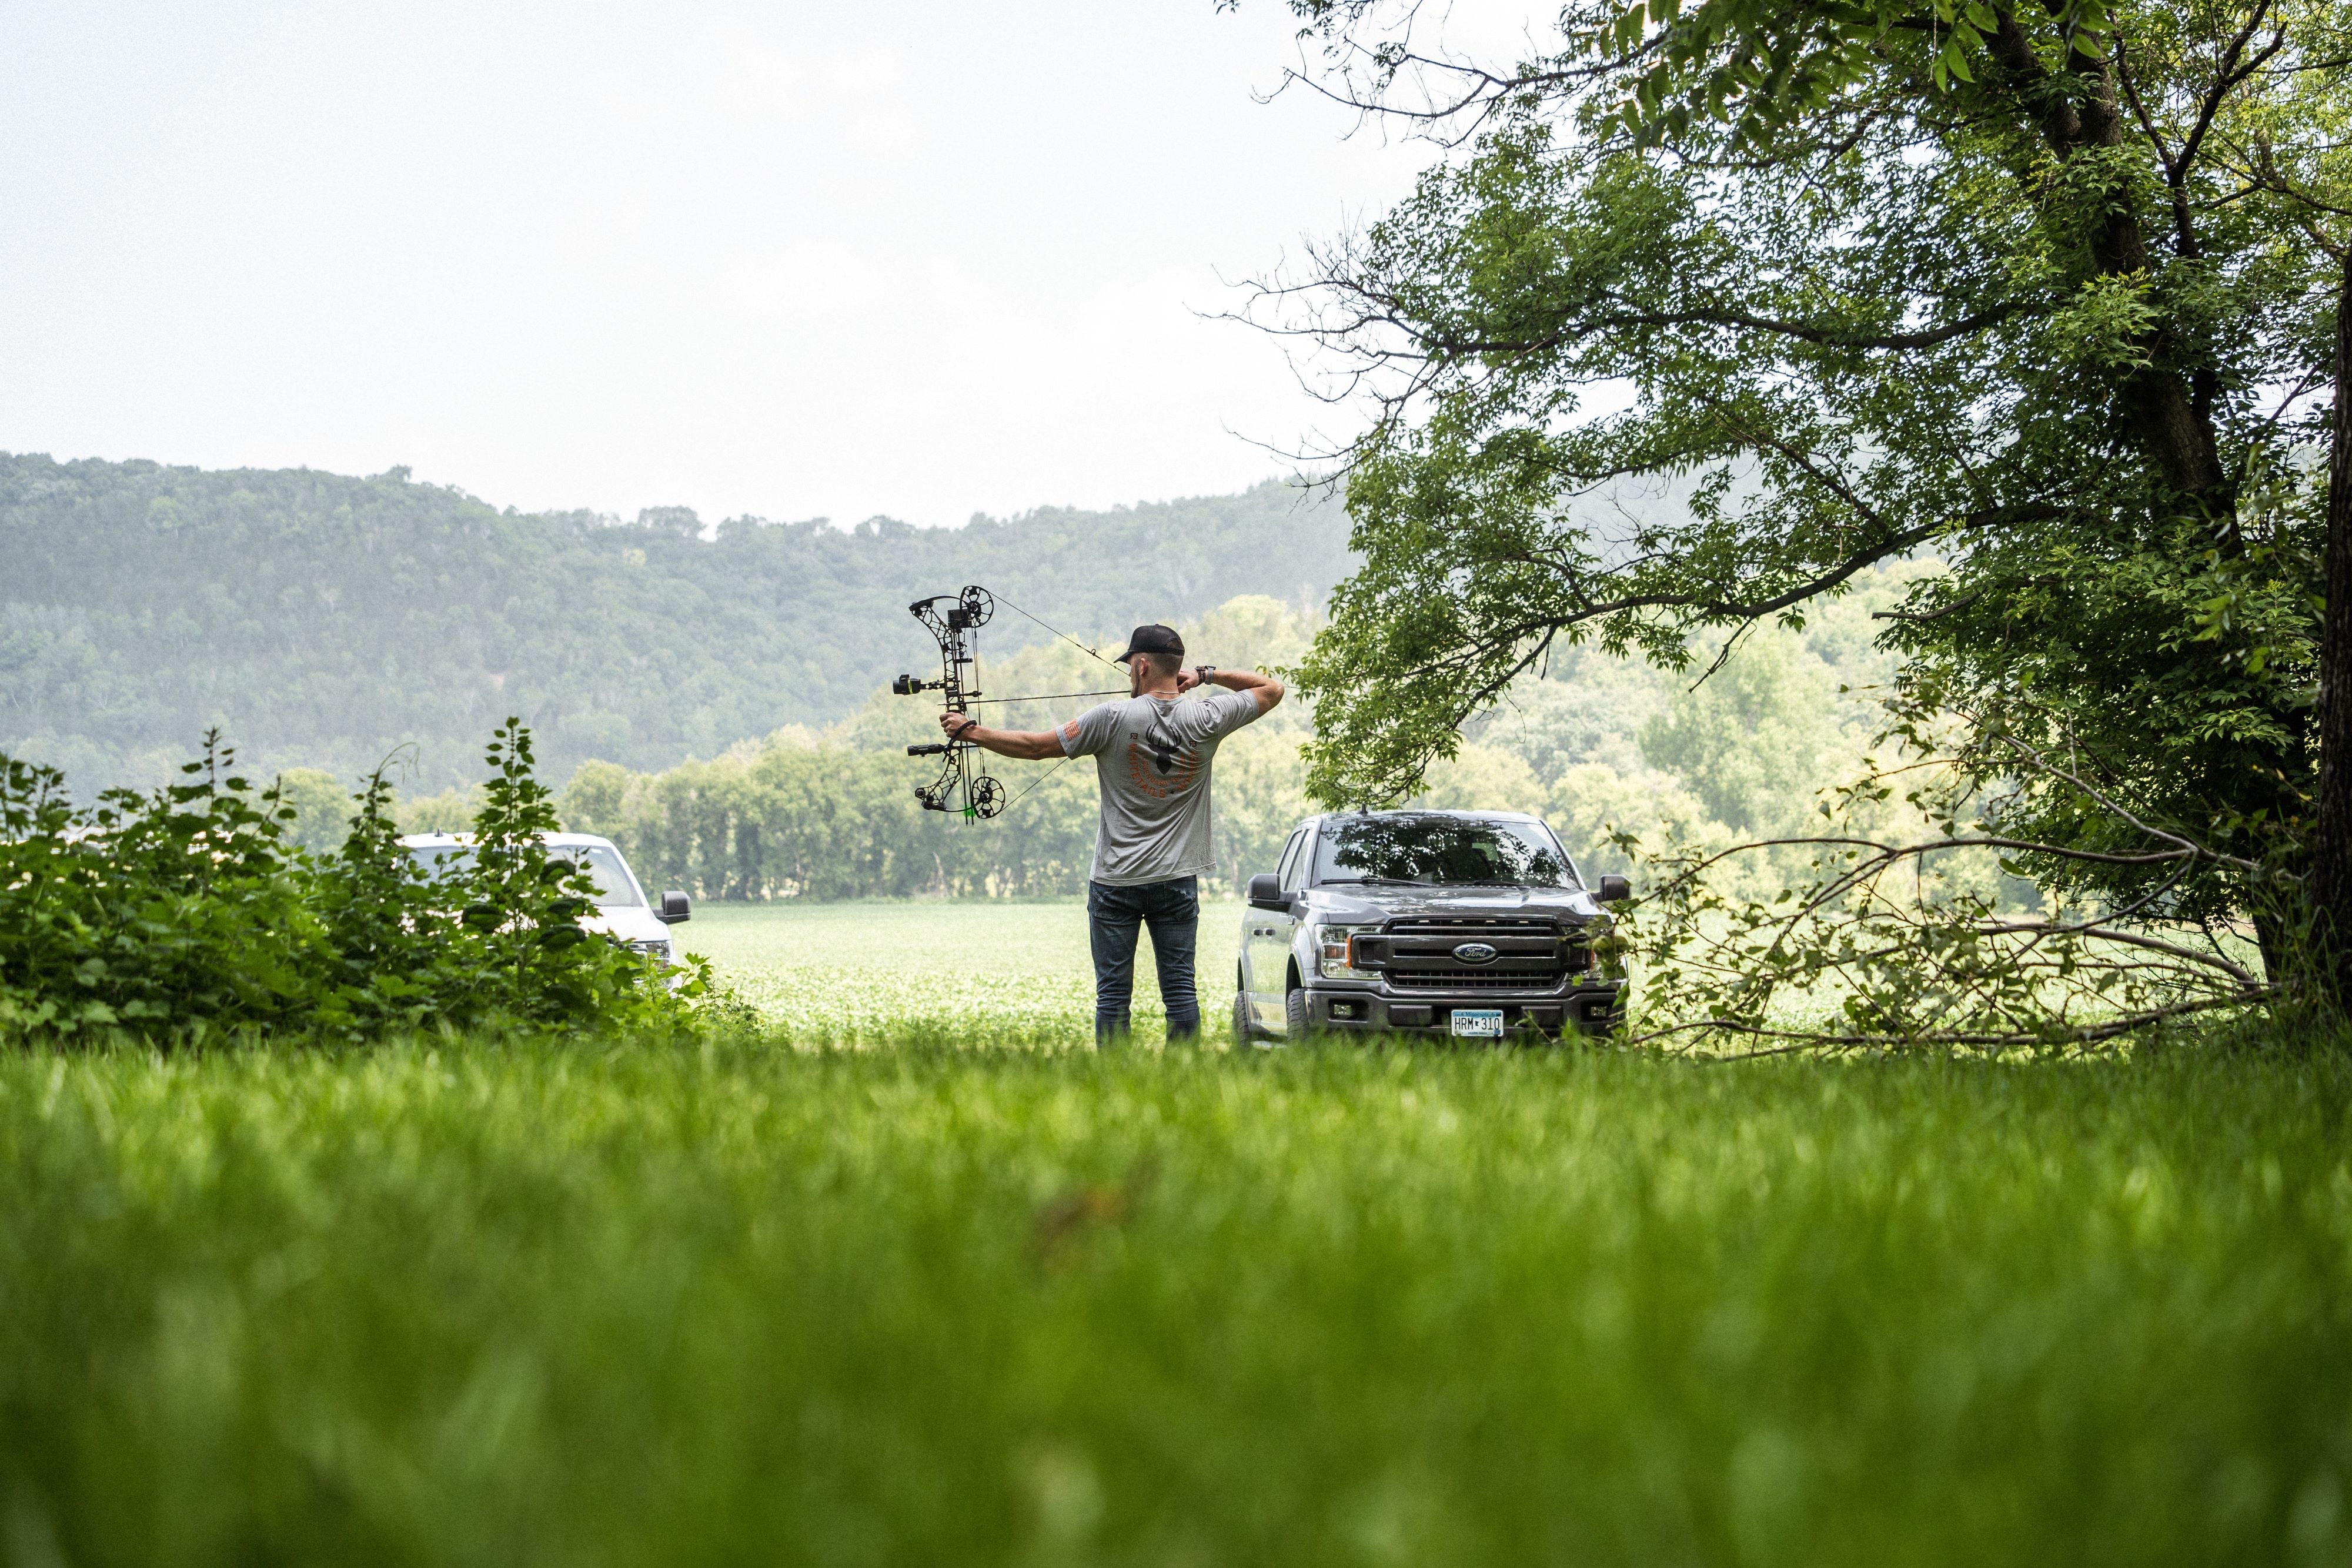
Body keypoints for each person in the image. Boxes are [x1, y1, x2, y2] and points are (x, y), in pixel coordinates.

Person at [939, 623, 1282, 1043]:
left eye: (1130, 667)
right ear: (1175, 669)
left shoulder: (1112, 717)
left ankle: (1116, 1084)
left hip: (1115, 882)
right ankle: (1185, 1086)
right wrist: (1207, 674)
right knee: (1180, 992)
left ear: (1141, 666)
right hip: (1176, 880)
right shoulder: (1209, 715)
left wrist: (970, 731)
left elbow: (1034, 746)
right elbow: (1272, 689)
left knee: (1114, 997)